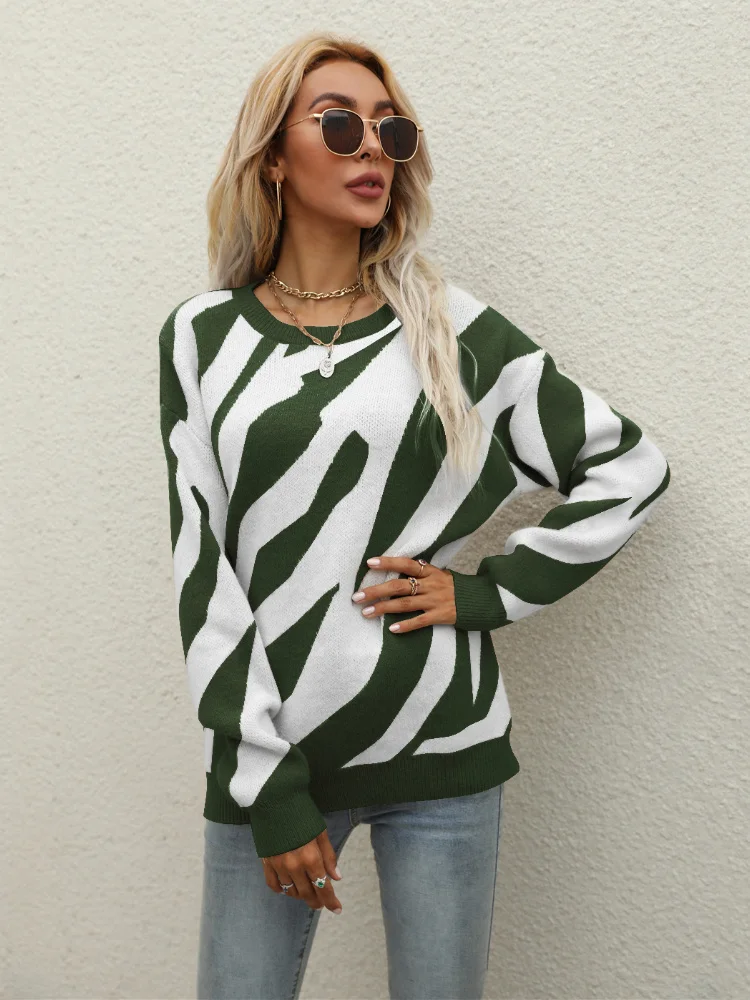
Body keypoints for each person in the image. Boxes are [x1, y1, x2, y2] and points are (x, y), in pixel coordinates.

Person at [157, 31, 671, 1000]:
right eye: (338, 124)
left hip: (443, 750)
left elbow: (628, 466)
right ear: (273, 156)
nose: (371, 148)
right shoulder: (201, 337)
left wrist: (487, 592)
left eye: (391, 131)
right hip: (273, 761)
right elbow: (203, 566)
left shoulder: (447, 323)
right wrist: (265, 781)